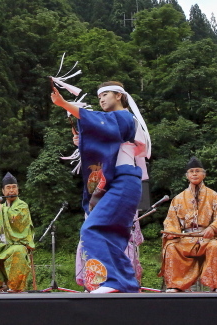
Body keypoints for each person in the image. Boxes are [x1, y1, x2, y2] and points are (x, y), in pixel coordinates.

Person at [51, 80, 150, 293]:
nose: (102, 99)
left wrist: (64, 104)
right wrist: (83, 142)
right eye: (99, 97)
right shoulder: (117, 121)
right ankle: (125, 284)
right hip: (122, 180)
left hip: (123, 180)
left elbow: (99, 122)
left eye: (106, 94)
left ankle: (112, 281)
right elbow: (104, 137)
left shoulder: (125, 117)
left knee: (92, 229)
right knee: (112, 235)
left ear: (119, 96)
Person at [159, 157, 217, 293]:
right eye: (191, 171)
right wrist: (171, 231)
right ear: (187, 176)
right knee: (171, 247)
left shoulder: (214, 196)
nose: (194, 174)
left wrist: (212, 228)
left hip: (206, 238)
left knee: (215, 246)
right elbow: (170, 221)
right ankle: (175, 285)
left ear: (204, 174)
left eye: (198, 171)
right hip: (185, 238)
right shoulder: (178, 199)